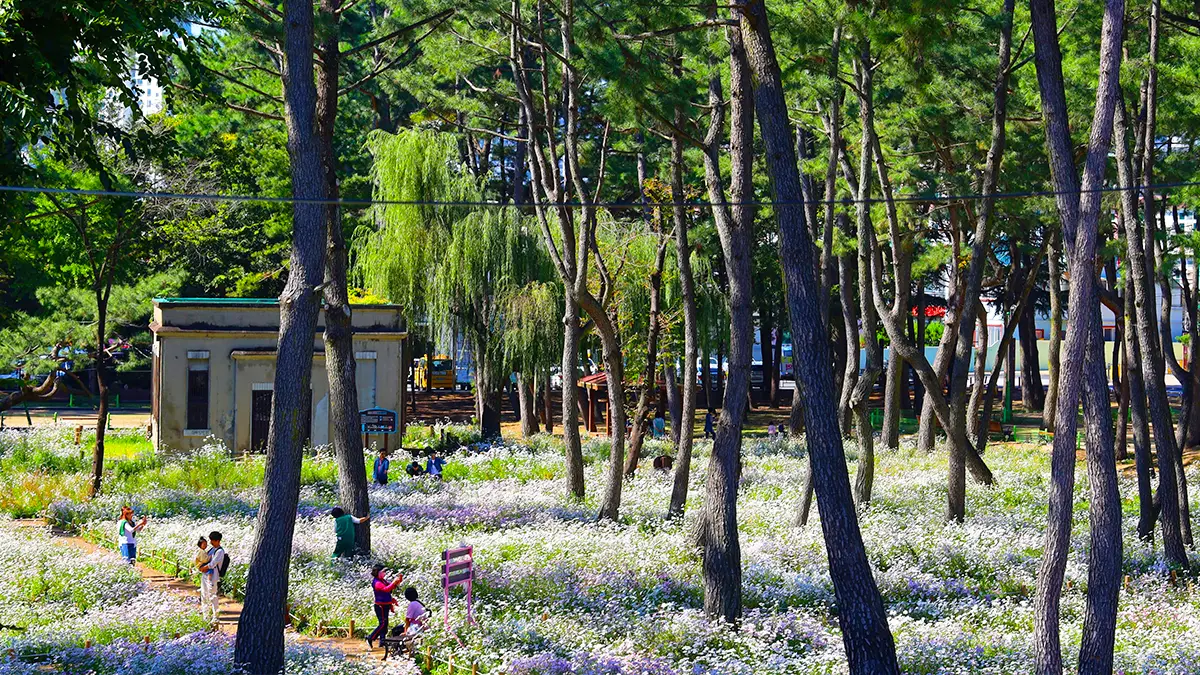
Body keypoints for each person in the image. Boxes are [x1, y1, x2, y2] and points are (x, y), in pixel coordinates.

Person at [366, 565, 402, 649]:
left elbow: (391, 587)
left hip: (386, 605)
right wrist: (394, 582)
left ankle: (382, 641)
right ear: (378, 572)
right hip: (380, 606)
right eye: (383, 572)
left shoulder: (383, 580)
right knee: (382, 623)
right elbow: (386, 589)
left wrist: (398, 580)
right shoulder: (377, 582)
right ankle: (370, 638)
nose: (384, 573)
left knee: (385, 624)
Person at [201, 531, 226, 623]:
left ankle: (215, 616)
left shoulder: (220, 551)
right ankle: (205, 616)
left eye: (213, 540)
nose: (211, 542)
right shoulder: (212, 549)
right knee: (204, 595)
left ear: (218, 541)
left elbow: (213, 564)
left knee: (212, 596)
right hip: (205, 575)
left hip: (213, 577)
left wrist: (204, 568)